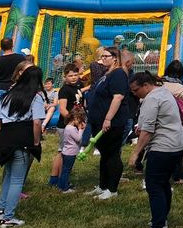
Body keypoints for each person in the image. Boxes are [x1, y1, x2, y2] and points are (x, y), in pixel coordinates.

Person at [127, 71, 183, 228]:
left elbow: (147, 131)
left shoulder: (151, 99)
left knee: (154, 186)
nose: (134, 94)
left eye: (135, 90)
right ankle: (162, 220)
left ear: (146, 85)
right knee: (163, 184)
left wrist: (135, 153)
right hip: (178, 144)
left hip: (163, 148)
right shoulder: (164, 92)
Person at [0, 64, 44, 228]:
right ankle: (9, 217)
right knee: (17, 180)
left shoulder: (7, 95)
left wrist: (0, 138)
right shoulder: (35, 98)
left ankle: (1, 210)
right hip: (22, 140)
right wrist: (36, 142)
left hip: (5, 138)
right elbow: (36, 122)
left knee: (8, 175)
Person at [86, 48, 130, 201]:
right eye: (102, 56)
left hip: (112, 122)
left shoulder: (118, 74)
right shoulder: (107, 74)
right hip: (99, 120)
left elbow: (117, 97)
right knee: (104, 154)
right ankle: (103, 185)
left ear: (115, 58)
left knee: (111, 154)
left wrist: (108, 119)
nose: (102, 58)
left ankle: (112, 188)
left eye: (106, 56)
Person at [47, 63, 83, 188]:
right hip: (65, 126)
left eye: (75, 75)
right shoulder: (64, 90)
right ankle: (57, 179)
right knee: (63, 152)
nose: (73, 77)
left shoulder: (78, 86)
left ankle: (58, 178)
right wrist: (74, 122)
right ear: (65, 77)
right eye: (70, 75)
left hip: (73, 124)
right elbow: (62, 109)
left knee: (63, 151)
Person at [0, 38, 25, 136]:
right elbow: (26, 70)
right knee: (16, 112)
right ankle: (15, 134)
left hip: (0, 88)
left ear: (1, 47)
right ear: (12, 45)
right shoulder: (20, 58)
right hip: (15, 88)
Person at [57, 104, 86, 193]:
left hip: (67, 152)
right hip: (70, 153)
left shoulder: (68, 127)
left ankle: (62, 185)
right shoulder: (71, 129)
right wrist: (81, 130)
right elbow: (78, 139)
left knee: (65, 170)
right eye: (80, 120)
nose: (80, 123)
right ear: (75, 118)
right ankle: (65, 188)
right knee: (67, 170)